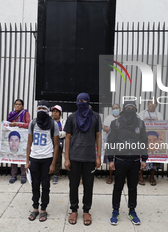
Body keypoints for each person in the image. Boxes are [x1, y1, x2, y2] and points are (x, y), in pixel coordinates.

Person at [107, 101, 148, 225]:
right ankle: (115, 210)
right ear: (123, 109)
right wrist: (110, 160)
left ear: (135, 110)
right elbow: (111, 141)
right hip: (120, 160)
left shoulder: (140, 124)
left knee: (133, 187)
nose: (130, 110)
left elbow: (144, 141)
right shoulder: (116, 123)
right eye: (128, 108)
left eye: (132, 108)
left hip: (135, 160)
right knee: (118, 187)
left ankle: (132, 210)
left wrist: (144, 159)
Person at [64, 93, 102, 226]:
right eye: (79, 100)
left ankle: (86, 210)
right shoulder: (72, 117)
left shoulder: (96, 117)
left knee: (88, 186)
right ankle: (74, 210)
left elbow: (98, 137)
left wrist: (98, 156)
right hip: (74, 157)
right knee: (73, 185)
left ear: (88, 101)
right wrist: (66, 158)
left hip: (90, 158)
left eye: (83, 100)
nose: (81, 102)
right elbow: (67, 138)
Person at [25, 100, 59, 222]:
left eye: (43, 108)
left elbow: (56, 145)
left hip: (47, 158)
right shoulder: (33, 123)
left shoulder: (53, 124)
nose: (41, 110)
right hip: (34, 157)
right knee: (35, 184)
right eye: (39, 108)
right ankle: (35, 208)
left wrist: (53, 163)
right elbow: (29, 143)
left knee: (45, 185)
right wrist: (27, 161)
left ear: (48, 110)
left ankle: (43, 208)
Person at [138, 99, 168, 186]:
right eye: (151, 103)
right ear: (148, 104)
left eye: (154, 103)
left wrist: (167, 123)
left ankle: (152, 177)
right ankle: (140, 176)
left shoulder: (159, 114)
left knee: (154, 158)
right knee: (142, 158)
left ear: (156, 105)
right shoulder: (142, 114)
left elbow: (162, 126)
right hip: (144, 140)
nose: (152, 105)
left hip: (155, 141)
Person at [7, 99, 31, 184]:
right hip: (13, 138)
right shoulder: (12, 114)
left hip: (22, 139)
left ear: (22, 106)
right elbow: (7, 124)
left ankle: (23, 175)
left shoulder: (25, 113)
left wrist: (17, 124)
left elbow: (28, 124)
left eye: (20, 104)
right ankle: (13, 175)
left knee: (22, 156)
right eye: (16, 104)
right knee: (14, 156)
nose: (18, 106)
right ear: (14, 105)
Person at [103, 104, 121, 184]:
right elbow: (104, 128)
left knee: (120, 160)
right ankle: (110, 176)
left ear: (120, 109)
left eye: (116, 108)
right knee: (111, 159)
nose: (115, 110)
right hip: (110, 142)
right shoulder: (108, 118)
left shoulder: (123, 118)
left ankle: (120, 177)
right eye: (113, 108)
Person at [51, 105, 66, 184]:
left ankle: (55, 175)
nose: (55, 113)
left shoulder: (63, 122)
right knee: (48, 158)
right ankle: (48, 173)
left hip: (59, 143)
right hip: (49, 143)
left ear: (60, 113)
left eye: (57, 112)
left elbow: (65, 133)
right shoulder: (49, 121)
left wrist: (56, 134)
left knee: (57, 159)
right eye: (53, 112)